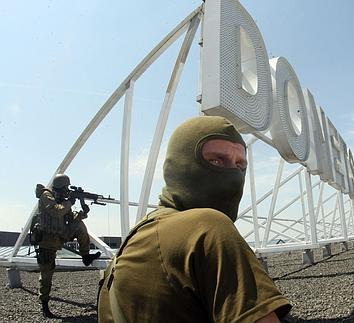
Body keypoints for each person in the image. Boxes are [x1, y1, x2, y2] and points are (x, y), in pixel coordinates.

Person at [98, 116, 291, 322]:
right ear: (181, 164)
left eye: (240, 164)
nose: (233, 176)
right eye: (215, 160)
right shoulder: (208, 228)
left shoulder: (136, 239)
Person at [34, 174, 101, 318]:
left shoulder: (62, 201)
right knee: (47, 274)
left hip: (60, 235)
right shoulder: (46, 196)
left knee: (79, 226)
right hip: (47, 240)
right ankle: (44, 305)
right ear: (59, 188)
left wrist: (82, 213)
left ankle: (86, 256)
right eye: (65, 189)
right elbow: (56, 211)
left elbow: (70, 217)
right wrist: (69, 202)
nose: (66, 193)